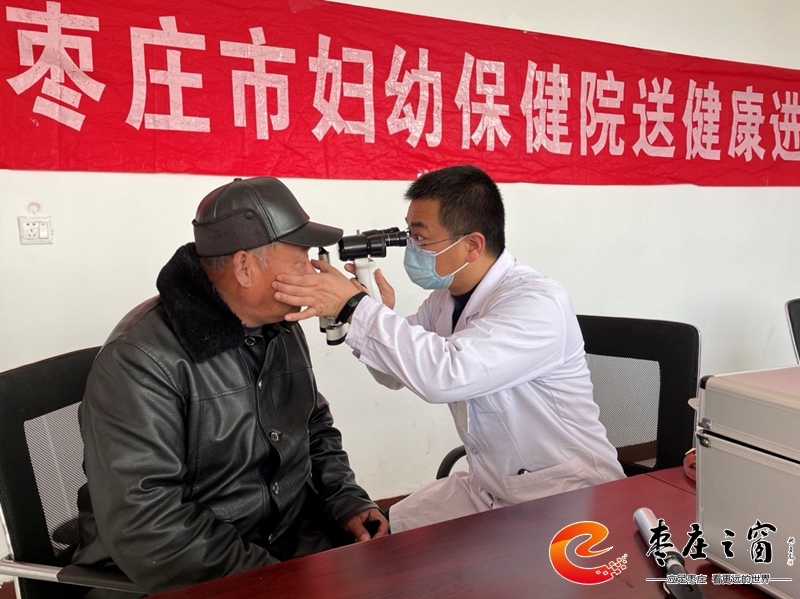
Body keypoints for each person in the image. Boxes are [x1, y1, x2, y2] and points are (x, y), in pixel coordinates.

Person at [72, 176, 388, 597]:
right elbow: (149, 524)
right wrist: (269, 578)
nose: (315, 273)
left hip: (280, 542)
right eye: (301, 261)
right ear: (244, 267)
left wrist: (344, 499)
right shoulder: (141, 359)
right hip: (190, 573)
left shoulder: (281, 325)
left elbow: (312, 424)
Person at [272, 165, 625, 533]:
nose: (412, 248)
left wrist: (356, 308)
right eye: (408, 236)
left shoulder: (536, 302)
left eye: (420, 238)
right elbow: (394, 375)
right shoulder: (444, 299)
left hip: (566, 495)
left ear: (472, 245)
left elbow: (445, 376)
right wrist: (367, 313)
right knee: (386, 532)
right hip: (490, 487)